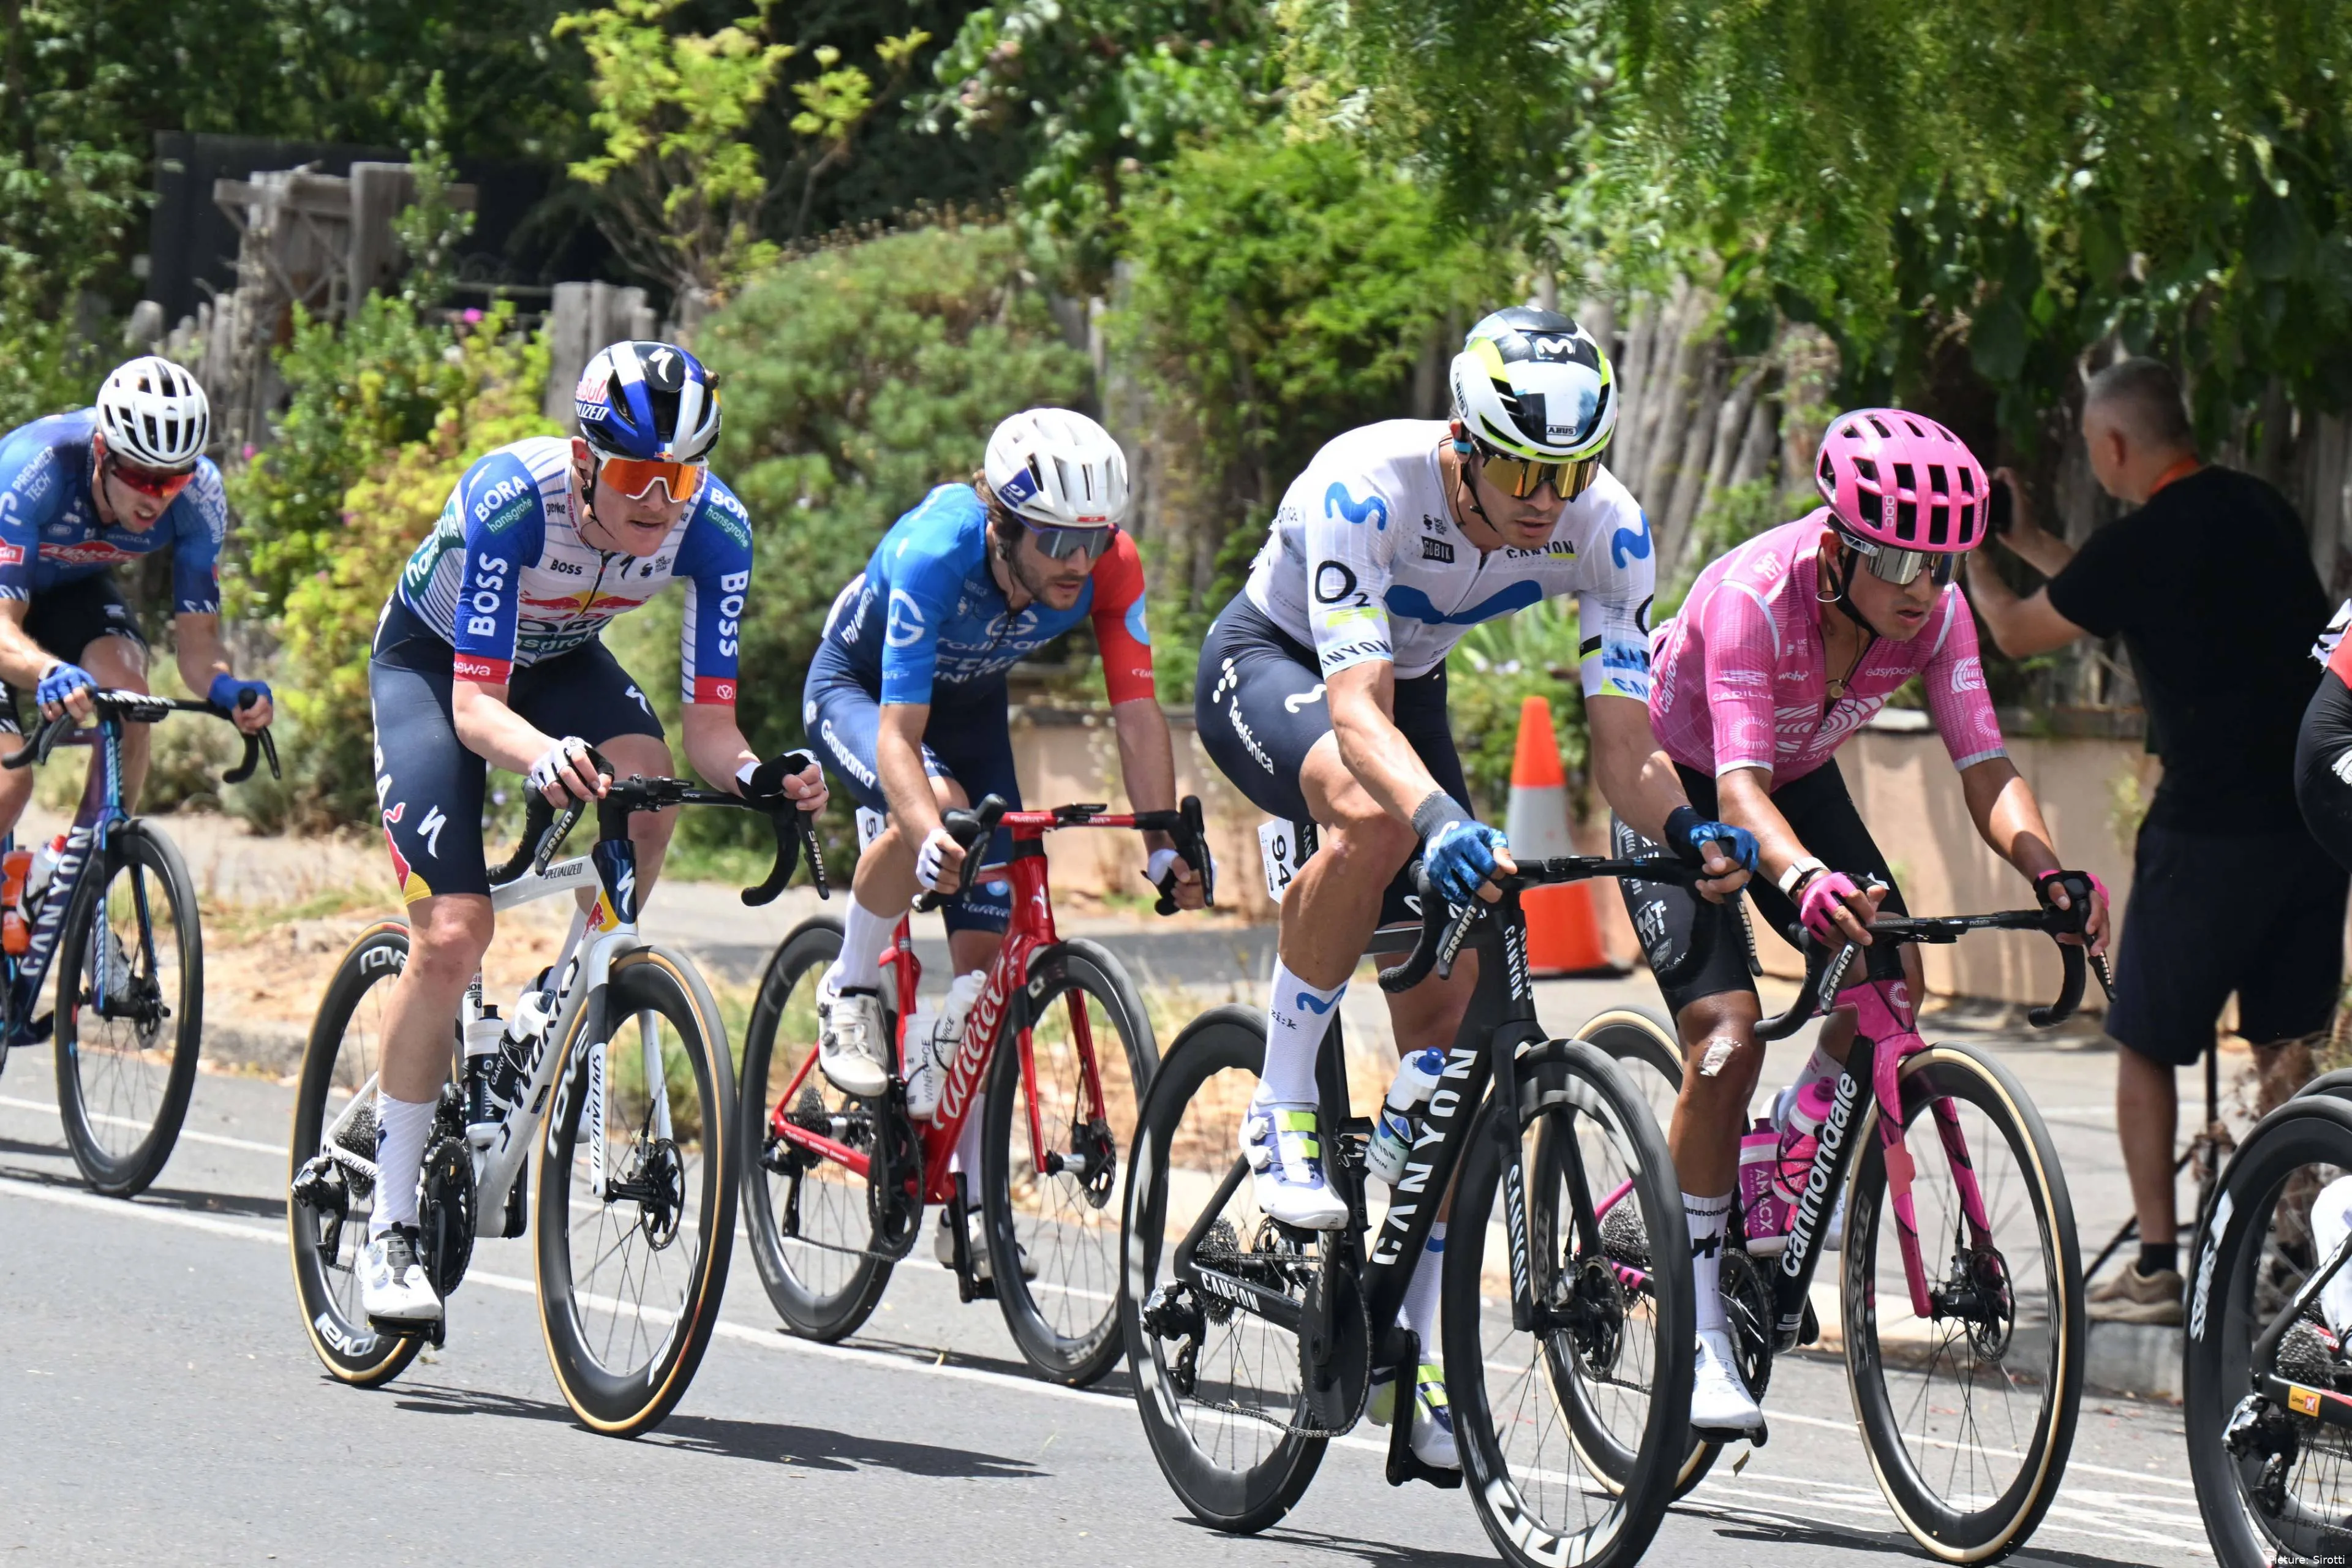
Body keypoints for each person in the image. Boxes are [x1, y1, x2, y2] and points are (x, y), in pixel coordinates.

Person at [1194, 306, 1754, 1470]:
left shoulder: (1610, 530)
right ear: (1463, 437)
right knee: (1370, 819)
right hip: (1282, 664)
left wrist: (1689, 823)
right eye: (1522, 469)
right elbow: (1355, 718)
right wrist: (1442, 818)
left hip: (1413, 690)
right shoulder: (1367, 487)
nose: (1549, 499)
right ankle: (1283, 1099)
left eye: (1572, 470)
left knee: (1450, 1047)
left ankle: (1424, 1338)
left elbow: (1623, 746)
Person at [1624, 407, 2109, 1434]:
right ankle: (1700, 1321)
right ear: (1838, 544)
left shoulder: (1933, 615)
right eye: (1896, 559)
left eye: (1941, 563)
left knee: (1891, 981)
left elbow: (1986, 767)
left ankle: (1780, 1153)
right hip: (1680, 785)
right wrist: (1802, 882)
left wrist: (2048, 868)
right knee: (1725, 1040)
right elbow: (1739, 788)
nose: (1921, 587)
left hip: (1791, 780)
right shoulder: (1756, 598)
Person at [361, 339, 827, 1327]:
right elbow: (478, 707)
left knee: (648, 792)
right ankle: (391, 1228)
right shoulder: (511, 500)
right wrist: (540, 757)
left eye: (680, 478)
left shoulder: (716, 529)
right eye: (634, 476)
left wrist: (759, 776)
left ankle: (555, 1002)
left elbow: (709, 730)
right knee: (451, 934)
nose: (660, 501)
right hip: (439, 668)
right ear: (584, 460)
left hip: (562, 657)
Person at [1967, 358, 2345, 1326]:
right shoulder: (2260, 509)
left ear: (2116, 446)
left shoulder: (2143, 543)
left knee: (2143, 1039)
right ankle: (2297, 1252)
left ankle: (2156, 1264)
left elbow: (2015, 630)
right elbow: (2109, 591)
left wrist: (1973, 553)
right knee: (2285, 1042)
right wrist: (2039, 541)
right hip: (2308, 827)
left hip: (2205, 829)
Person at [804, 407, 1206, 1280]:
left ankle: (975, 1203)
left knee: (990, 971)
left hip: (973, 709)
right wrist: (926, 835)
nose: (1075, 563)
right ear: (1004, 524)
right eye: (1056, 540)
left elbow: (1136, 716)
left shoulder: (1111, 567)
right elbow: (899, 740)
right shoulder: (937, 552)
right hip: (867, 696)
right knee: (939, 811)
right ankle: (850, 980)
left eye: (1091, 541)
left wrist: (1162, 842)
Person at [0, 356, 273, 856]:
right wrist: (46, 671)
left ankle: (85, 870)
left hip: (68, 592)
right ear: (103, 452)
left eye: (173, 479)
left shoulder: (201, 496)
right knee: (8, 786)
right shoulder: (37, 470)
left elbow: (198, 645)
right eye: (144, 479)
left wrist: (226, 688)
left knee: (131, 699)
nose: (157, 498)